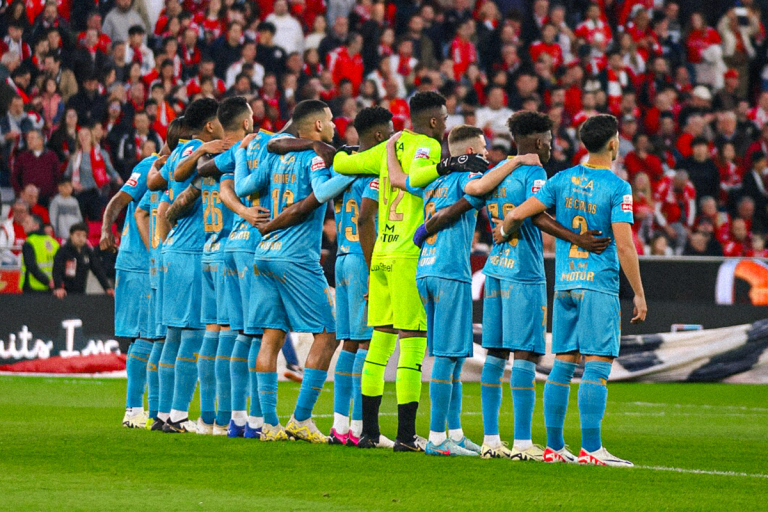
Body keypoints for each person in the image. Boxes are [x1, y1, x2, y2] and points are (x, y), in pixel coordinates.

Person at [331, 91, 486, 451]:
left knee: (379, 345)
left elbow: (341, 164)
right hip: (406, 255)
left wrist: (357, 152)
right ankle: (405, 436)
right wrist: (447, 165)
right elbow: (416, 179)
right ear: (433, 121)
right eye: (444, 118)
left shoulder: (389, 147)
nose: (445, 124)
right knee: (413, 346)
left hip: (380, 255)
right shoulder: (427, 147)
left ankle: (369, 433)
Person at [496, 114, 647, 467]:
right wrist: (639, 293)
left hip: (565, 283)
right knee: (597, 365)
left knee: (562, 365)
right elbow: (625, 246)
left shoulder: (561, 179)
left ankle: (554, 447)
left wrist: (503, 230)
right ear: (613, 144)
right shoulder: (618, 188)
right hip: (597, 285)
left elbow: (519, 213)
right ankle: (591, 449)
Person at [244, 100, 354, 443]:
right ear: (318, 126)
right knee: (329, 334)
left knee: (271, 336)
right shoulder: (315, 157)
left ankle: (268, 424)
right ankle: (301, 418)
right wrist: (352, 173)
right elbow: (320, 192)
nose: (334, 126)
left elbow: (246, 187)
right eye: (331, 121)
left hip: (265, 252)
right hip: (295, 257)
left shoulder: (275, 156)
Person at [166, 97, 252, 437]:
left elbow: (173, 187)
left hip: (206, 249)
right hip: (222, 248)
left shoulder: (204, 161)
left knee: (204, 335)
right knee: (229, 335)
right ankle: (225, 419)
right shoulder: (223, 153)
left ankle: (203, 417)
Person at [160, 98, 227, 434]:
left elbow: (160, 185)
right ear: (210, 125)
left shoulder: (178, 151)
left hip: (175, 248)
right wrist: (206, 147)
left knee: (173, 337)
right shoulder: (196, 149)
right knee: (192, 336)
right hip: (190, 250)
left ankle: (163, 413)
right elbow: (178, 177)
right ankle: (178, 415)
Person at [100, 136, 158, 429]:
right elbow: (119, 200)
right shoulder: (149, 166)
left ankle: (159, 412)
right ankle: (134, 409)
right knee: (144, 335)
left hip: (156, 262)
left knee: (158, 335)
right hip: (138, 262)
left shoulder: (180, 166)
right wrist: (105, 229)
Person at [64, 125, 121, 221]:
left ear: (91, 137)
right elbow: (66, 175)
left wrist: (119, 179)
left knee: (95, 221)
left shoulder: (102, 154)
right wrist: (71, 184)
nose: (83, 137)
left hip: (97, 193)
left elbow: (111, 171)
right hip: (80, 193)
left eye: (86, 135)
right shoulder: (75, 157)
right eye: (81, 135)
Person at [52, 222, 113, 297]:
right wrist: (58, 287)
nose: (81, 238)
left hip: (81, 292)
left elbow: (97, 270)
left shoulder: (87, 251)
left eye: (84, 235)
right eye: (78, 235)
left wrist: (107, 287)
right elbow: (56, 270)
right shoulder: (63, 251)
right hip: (65, 293)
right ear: (71, 235)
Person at [11, 129, 61, 206]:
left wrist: (53, 194)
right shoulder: (22, 156)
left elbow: (58, 176)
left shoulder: (52, 156)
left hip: (47, 199)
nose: (29, 141)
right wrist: (20, 192)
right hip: (26, 200)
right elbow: (14, 177)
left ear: (41, 140)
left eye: (32, 138)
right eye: (28, 138)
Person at [19, 214, 59, 293]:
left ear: (36, 225)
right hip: (51, 288)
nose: (23, 224)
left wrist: (47, 281)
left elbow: (31, 267)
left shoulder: (29, 242)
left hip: (32, 287)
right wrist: (54, 282)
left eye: (27, 222)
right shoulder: (54, 242)